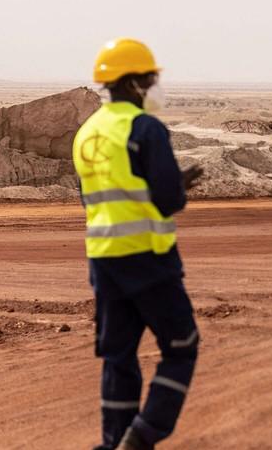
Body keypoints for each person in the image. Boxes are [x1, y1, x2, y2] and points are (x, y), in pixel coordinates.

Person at [72, 38, 204, 450]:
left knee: (118, 356)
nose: (154, 86)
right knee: (181, 348)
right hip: (149, 260)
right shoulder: (144, 128)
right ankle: (144, 435)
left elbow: (94, 198)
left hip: (104, 262)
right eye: (150, 79)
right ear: (132, 83)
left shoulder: (86, 133)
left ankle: (114, 444)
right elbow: (167, 200)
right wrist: (178, 186)